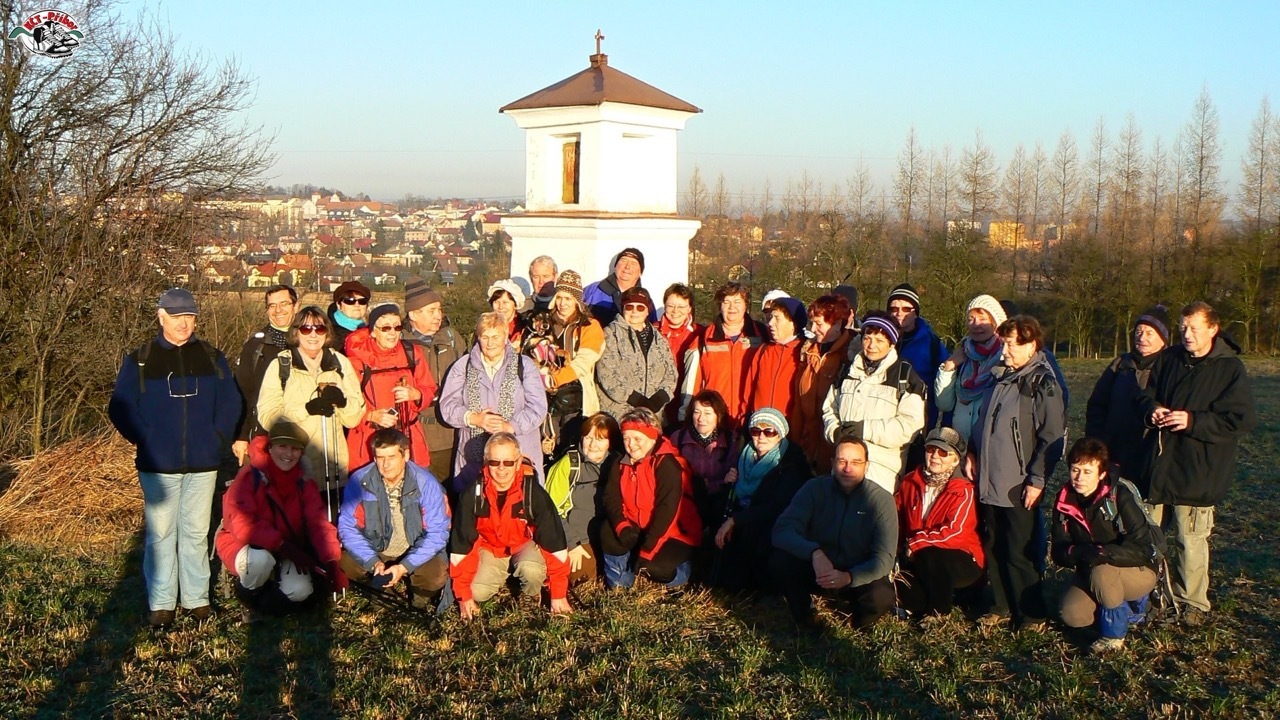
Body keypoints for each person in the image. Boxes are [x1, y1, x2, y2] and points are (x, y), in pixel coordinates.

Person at [108, 288, 242, 628]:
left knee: (196, 532)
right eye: (176, 316)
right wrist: (146, 439)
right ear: (161, 316)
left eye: (189, 317)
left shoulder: (212, 357)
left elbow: (231, 403)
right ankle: (162, 603)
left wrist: (217, 438)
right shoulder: (140, 359)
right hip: (158, 465)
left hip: (204, 462)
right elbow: (120, 407)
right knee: (161, 535)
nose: (183, 323)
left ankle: (197, 599)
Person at [1137, 301, 1257, 624]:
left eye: (1194, 328)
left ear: (1213, 329)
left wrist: (1193, 421)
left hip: (1199, 469)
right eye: (1183, 328)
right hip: (1160, 465)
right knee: (1149, 536)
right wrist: (1153, 410)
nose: (1187, 334)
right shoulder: (1170, 359)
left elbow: (1240, 419)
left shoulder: (1230, 369)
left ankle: (1192, 603)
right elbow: (1146, 394)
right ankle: (1153, 594)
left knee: (1189, 539)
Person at [972, 314, 1066, 631]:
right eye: (1004, 343)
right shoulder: (999, 378)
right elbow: (983, 423)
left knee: (1019, 550)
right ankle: (1001, 605)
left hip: (1019, 482)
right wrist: (972, 453)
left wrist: (1037, 479)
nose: (1004, 351)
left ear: (1031, 345)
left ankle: (1032, 613)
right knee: (994, 545)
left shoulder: (1042, 383)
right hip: (989, 479)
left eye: (1011, 344)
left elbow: (1052, 437)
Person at [215, 421, 345, 622]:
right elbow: (241, 524)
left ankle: (268, 600)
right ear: (270, 447)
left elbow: (318, 523)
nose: (289, 454)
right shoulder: (249, 477)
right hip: (246, 546)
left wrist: (331, 560)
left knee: (300, 590)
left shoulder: (305, 482)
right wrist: (281, 544)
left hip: (288, 549)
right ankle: (247, 595)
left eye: (295, 449)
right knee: (260, 561)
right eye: (282, 446)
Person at [770, 437, 897, 631]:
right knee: (779, 561)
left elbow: (885, 557)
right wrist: (814, 553)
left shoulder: (881, 500)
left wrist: (850, 577)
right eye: (842, 461)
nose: (848, 468)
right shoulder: (814, 489)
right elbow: (782, 530)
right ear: (832, 463)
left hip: (855, 574)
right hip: (818, 569)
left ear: (866, 465)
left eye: (856, 462)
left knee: (881, 595)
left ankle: (857, 623)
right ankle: (804, 615)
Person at [1052, 438, 1162, 653]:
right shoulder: (1064, 500)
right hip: (1090, 568)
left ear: (1101, 474)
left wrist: (1105, 553)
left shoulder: (1119, 496)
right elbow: (1058, 550)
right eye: (1075, 470)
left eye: (1087, 472)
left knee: (1102, 570)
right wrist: (1077, 552)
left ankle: (1114, 635)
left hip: (1137, 571)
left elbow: (1144, 547)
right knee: (1072, 615)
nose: (1079, 478)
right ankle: (1116, 608)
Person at [449, 433, 572, 620]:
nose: (501, 468)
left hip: (523, 544)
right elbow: (462, 546)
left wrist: (558, 594)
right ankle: (505, 574)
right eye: (494, 462)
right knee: (477, 592)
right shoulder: (472, 495)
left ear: (518, 462)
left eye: (508, 462)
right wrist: (463, 595)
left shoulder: (533, 493)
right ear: (486, 462)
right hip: (491, 548)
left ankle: (531, 593)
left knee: (530, 569)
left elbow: (554, 543)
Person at [257, 307, 366, 496]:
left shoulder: (340, 363)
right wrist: (307, 409)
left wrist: (343, 403)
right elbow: (267, 418)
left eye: (320, 329)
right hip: (295, 469)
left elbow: (353, 419)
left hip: (334, 469)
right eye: (306, 329)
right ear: (296, 332)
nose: (313, 335)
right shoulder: (281, 366)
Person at [338, 428, 451, 609]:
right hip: (377, 547)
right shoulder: (360, 481)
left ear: (406, 455)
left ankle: (419, 597)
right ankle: (379, 588)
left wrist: (404, 566)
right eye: (380, 457)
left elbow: (437, 533)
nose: (385, 464)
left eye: (391, 457)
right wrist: (373, 562)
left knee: (435, 575)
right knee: (345, 563)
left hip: (414, 547)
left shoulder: (426, 483)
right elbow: (347, 527)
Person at [438, 312, 549, 491]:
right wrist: (474, 419)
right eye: (485, 337)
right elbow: (447, 406)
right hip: (472, 460)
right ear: (478, 337)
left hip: (518, 456)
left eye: (496, 337)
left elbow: (537, 407)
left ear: (505, 337)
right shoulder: (463, 366)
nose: (490, 343)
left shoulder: (524, 365)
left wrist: (510, 426)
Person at [821, 310, 926, 494]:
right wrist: (834, 431)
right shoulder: (847, 371)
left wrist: (866, 429)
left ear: (892, 343)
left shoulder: (905, 376)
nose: (871, 345)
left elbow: (910, 426)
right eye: (867, 338)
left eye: (879, 340)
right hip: (844, 466)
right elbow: (830, 408)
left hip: (881, 471)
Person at [601, 408, 702, 589]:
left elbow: (667, 511)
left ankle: (682, 574)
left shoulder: (667, 465)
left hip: (673, 533)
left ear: (653, 437)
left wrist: (648, 550)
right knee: (608, 531)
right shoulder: (620, 462)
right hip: (638, 525)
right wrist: (622, 526)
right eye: (626, 438)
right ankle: (620, 583)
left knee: (654, 568)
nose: (631, 445)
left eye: (637, 439)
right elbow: (611, 497)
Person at [712, 408, 811, 591]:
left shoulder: (790, 465)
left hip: (771, 526)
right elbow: (731, 497)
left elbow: (776, 506)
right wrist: (727, 484)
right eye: (756, 431)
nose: (761, 437)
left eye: (769, 432)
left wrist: (735, 520)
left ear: (780, 435)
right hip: (744, 517)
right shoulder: (744, 456)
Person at [894, 427, 983, 621]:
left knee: (930, 554)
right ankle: (919, 607)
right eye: (930, 449)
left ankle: (939, 612)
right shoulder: (909, 482)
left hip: (960, 558)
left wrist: (916, 543)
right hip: (915, 555)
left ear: (956, 460)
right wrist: (896, 548)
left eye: (943, 452)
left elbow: (956, 532)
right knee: (904, 588)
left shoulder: (963, 490)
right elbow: (898, 518)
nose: (935, 456)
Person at [343, 303, 437, 472]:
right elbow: (346, 406)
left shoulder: (411, 352)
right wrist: (371, 416)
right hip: (369, 441)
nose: (393, 333)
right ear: (373, 331)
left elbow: (429, 388)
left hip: (409, 439)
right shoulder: (356, 360)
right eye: (386, 328)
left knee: (416, 486)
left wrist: (416, 394)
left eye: (397, 327)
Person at [1084, 305, 1171, 477]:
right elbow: (1097, 405)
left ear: (1163, 339)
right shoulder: (1119, 364)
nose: (1142, 337)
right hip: (1113, 451)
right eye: (1139, 331)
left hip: (1150, 455)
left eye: (1149, 333)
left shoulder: (1170, 368)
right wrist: (1097, 442)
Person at [679, 282, 768, 429]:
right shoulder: (703, 339)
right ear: (720, 305)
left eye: (737, 302)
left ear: (746, 305)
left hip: (752, 421)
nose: (732, 307)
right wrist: (685, 419)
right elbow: (691, 383)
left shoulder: (762, 335)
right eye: (726, 302)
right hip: (714, 421)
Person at [545, 413, 621, 585]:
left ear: (610, 442)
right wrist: (572, 544)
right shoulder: (568, 464)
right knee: (583, 579)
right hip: (577, 537)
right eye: (588, 437)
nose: (592, 445)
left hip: (608, 535)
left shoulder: (618, 463)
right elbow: (551, 511)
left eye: (600, 439)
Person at [405, 278, 466, 483]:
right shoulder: (401, 343)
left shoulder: (452, 338)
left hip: (450, 434)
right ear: (413, 314)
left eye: (439, 309)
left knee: (452, 490)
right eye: (431, 310)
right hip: (417, 434)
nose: (438, 316)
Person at [232, 284, 298, 464]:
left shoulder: (309, 341)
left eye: (284, 304)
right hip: (263, 436)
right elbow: (243, 393)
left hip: (303, 434)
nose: (278, 310)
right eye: (272, 306)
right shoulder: (255, 347)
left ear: (296, 306)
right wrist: (241, 436)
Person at [792, 294, 856, 474]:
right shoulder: (808, 352)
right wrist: (793, 442)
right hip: (806, 444)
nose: (813, 329)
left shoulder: (850, 355)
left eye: (819, 324)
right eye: (812, 323)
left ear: (837, 324)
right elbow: (798, 404)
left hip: (833, 448)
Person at [595, 286, 678, 421]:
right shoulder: (610, 334)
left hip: (652, 415)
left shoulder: (659, 339)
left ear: (647, 311)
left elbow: (671, 373)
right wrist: (637, 400)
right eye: (629, 307)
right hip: (619, 415)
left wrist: (659, 399)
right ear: (623, 309)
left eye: (640, 307)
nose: (634, 311)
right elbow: (606, 374)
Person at [543, 270, 605, 447]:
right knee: (547, 445)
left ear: (577, 301)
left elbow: (584, 361)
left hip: (577, 397)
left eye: (568, 299)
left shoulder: (590, 326)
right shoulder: (543, 323)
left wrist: (555, 379)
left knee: (572, 446)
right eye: (559, 297)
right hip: (545, 397)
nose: (562, 304)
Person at [934, 294, 1006, 444]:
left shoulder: (1006, 358)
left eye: (983, 319)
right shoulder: (963, 354)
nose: (976, 324)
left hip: (989, 445)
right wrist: (948, 367)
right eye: (971, 319)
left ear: (996, 322)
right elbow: (944, 404)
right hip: (960, 443)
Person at [669, 389, 739, 529]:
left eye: (707, 413)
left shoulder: (731, 440)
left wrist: (715, 484)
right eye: (697, 412)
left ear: (718, 415)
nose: (701, 418)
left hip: (716, 503)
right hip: (686, 501)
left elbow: (730, 476)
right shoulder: (678, 438)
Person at [886, 283, 949, 428]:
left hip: (919, 417)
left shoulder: (932, 343)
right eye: (894, 309)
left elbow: (945, 384)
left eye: (906, 309)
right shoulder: (879, 339)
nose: (899, 313)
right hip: (885, 413)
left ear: (916, 313)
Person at [744, 297, 807, 418]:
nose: (770, 323)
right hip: (760, 425)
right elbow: (748, 391)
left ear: (793, 323)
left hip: (790, 426)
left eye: (777, 318)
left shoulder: (805, 353)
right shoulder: (764, 351)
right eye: (771, 317)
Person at [658, 283, 702, 424]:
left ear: (689, 308)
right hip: (658, 404)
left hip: (686, 403)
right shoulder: (652, 331)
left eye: (681, 307)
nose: (675, 311)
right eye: (671, 306)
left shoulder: (700, 333)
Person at [582, 247, 649, 327]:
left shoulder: (644, 298)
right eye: (624, 261)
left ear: (640, 272)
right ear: (615, 266)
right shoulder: (594, 289)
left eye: (633, 263)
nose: (627, 266)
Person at [327, 280, 371, 350]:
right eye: (350, 301)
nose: (357, 305)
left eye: (362, 301)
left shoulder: (372, 332)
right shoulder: (327, 333)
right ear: (339, 305)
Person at [486, 279, 528, 349]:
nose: (500, 307)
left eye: (505, 302)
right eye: (496, 302)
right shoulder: (485, 327)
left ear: (515, 305)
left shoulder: (525, 327)